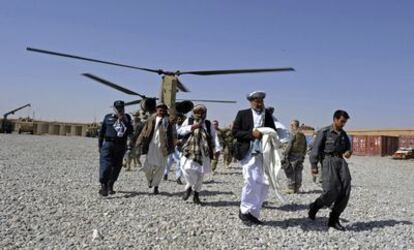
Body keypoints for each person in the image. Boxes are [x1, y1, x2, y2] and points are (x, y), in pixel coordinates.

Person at [233, 91, 277, 225]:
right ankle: (244, 210)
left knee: (263, 183)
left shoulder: (267, 114)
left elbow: (273, 130)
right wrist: (252, 134)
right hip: (248, 152)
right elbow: (235, 133)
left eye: (261, 101)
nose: (259, 103)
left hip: (263, 153)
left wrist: (267, 134)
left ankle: (253, 212)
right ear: (251, 102)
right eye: (256, 101)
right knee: (250, 181)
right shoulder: (242, 114)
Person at [308, 110, 352, 231]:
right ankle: (316, 206)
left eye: (345, 122)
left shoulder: (343, 134)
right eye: (342, 121)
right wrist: (314, 165)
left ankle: (334, 219)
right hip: (328, 161)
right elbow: (315, 149)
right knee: (331, 190)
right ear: (335, 119)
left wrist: (348, 152)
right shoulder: (324, 132)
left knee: (346, 188)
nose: (343, 124)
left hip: (340, 161)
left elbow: (348, 148)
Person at [178, 104, 221, 205]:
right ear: (194, 113)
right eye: (197, 112)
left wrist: (217, 148)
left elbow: (214, 137)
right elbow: (179, 131)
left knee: (200, 175)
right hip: (189, 150)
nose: (199, 114)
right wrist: (192, 127)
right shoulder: (188, 121)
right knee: (186, 169)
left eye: (201, 112)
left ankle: (196, 195)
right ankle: (189, 185)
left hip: (203, 152)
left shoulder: (207, 123)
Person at [136, 103, 174, 194]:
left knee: (160, 168)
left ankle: (156, 186)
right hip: (151, 146)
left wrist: (171, 111)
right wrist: (139, 141)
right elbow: (144, 131)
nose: (161, 110)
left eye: (163, 109)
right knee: (146, 167)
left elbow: (174, 121)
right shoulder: (151, 119)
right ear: (156, 109)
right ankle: (150, 180)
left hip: (163, 147)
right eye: (159, 108)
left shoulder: (168, 120)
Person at [98, 100, 133, 196]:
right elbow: (101, 132)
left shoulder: (128, 118)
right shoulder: (108, 117)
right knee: (106, 165)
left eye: (121, 107)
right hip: (108, 144)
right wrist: (100, 145)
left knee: (117, 166)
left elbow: (131, 132)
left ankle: (111, 184)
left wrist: (125, 121)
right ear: (114, 108)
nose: (120, 109)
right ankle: (103, 185)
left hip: (121, 145)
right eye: (118, 107)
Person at [282, 120, 307, 193]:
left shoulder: (293, 133)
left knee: (290, 171)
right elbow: (305, 146)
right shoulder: (302, 135)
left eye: (291, 125)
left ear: (293, 125)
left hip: (293, 155)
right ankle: (297, 188)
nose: (290, 126)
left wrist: (285, 153)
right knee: (298, 171)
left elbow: (290, 144)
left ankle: (291, 188)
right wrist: (303, 155)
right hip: (300, 155)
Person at [163, 112, 186, 184]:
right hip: (171, 147)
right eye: (178, 119)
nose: (179, 120)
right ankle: (165, 173)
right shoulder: (172, 126)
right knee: (169, 162)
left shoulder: (184, 127)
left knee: (179, 162)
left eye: (180, 119)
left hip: (179, 147)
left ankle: (178, 177)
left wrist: (181, 141)